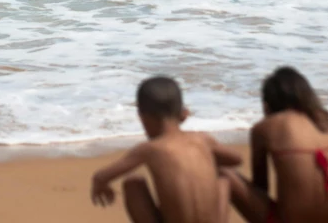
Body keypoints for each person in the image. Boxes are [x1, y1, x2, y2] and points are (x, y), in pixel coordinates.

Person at [223, 66, 328, 223]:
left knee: (224, 172)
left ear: (267, 105)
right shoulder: (326, 121)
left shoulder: (266, 127)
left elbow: (260, 190)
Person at [91, 76, 242, 223]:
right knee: (223, 177)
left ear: (143, 117)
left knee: (133, 182)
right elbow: (236, 159)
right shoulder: (202, 139)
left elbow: (101, 177)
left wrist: (101, 187)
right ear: (184, 113)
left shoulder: (151, 148)